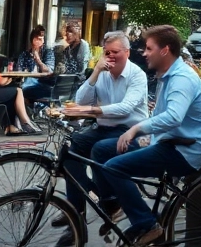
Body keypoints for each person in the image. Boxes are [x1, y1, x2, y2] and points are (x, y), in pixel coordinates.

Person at [90, 26, 201, 246]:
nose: (144, 53)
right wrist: (148, 137)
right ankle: (113, 204)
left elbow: (174, 117)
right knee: (102, 150)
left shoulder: (181, 79)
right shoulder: (168, 75)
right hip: (168, 142)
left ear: (165, 50)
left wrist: (136, 129)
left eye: (148, 48)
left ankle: (146, 223)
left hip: (183, 149)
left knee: (114, 167)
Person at [59, 32, 149, 238]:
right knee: (70, 150)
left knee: (99, 149)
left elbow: (125, 108)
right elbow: (81, 100)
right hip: (103, 127)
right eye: (107, 52)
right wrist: (95, 72)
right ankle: (76, 209)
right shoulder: (103, 73)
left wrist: (92, 111)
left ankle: (108, 200)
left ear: (127, 52)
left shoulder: (137, 75)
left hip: (130, 130)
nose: (111, 57)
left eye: (115, 52)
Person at [13, 25, 56, 103]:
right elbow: (18, 71)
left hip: (44, 84)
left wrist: (38, 60)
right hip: (27, 84)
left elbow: (49, 71)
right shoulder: (24, 54)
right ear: (32, 39)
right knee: (17, 90)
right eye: (37, 39)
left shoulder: (48, 52)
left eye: (42, 39)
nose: (40, 41)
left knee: (21, 91)